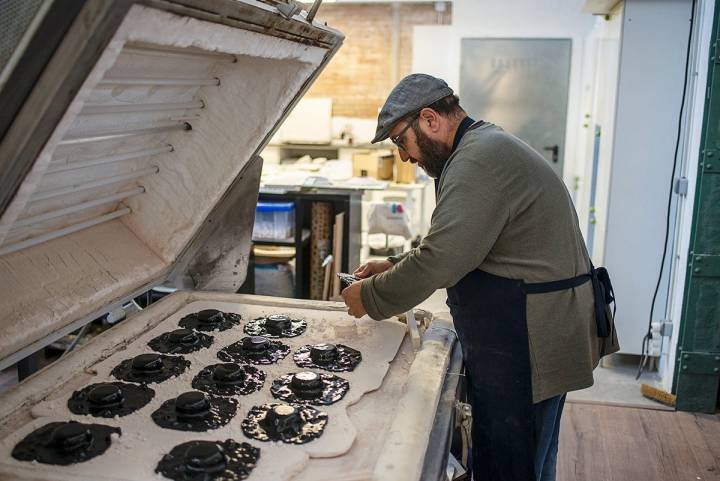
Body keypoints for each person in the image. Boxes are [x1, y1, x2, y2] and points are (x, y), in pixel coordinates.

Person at [341, 73, 618, 481]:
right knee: (532, 460)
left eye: (401, 140)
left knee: (510, 465)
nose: (403, 156)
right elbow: (464, 238)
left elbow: (442, 259)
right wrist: (397, 263)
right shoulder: (481, 147)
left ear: (430, 119)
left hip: (530, 343)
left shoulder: (477, 159)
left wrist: (370, 298)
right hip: (535, 330)